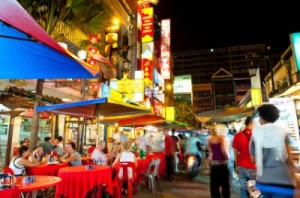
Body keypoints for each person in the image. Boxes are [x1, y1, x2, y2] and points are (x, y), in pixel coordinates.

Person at [250, 104, 297, 198]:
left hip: (264, 182)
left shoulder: (255, 135)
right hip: (283, 182)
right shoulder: (282, 132)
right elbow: (289, 160)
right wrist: (294, 178)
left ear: (262, 118)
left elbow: (253, 160)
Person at [232, 116, 256, 198]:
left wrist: (236, 166)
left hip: (241, 166)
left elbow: (235, 152)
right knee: (254, 191)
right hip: (253, 167)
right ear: (252, 124)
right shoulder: (256, 135)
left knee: (243, 189)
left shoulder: (237, 136)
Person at [207, 124, 230, 198]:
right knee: (225, 185)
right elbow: (224, 151)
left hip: (214, 165)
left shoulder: (210, 140)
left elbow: (210, 153)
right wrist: (228, 158)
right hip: (222, 164)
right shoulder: (222, 138)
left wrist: (209, 162)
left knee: (214, 185)